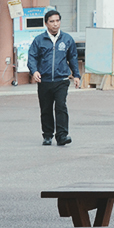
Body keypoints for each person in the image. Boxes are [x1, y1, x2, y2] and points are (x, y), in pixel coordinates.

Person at [27, 10, 80, 146]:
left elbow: (73, 58)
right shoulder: (39, 40)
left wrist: (76, 75)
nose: (55, 24)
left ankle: (62, 136)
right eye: (52, 21)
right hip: (44, 81)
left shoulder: (67, 39)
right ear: (46, 24)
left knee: (61, 106)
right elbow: (32, 57)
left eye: (57, 21)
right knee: (46, 108)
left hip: (61, 80)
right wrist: (34, 71)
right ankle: (48, 135)